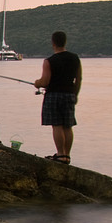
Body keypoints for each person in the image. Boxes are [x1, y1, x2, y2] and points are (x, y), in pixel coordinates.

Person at [34, 31, 82, 164]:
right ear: (65, 42)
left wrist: (36, 83)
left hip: (54, 95)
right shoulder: (75, 58)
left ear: (53, 43)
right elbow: (78, 79)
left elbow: (45, 82)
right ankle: (66, 155)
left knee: (57, 125)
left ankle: (60, 154)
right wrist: (75, 95)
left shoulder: (49, 61)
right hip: (69, 95)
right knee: (68, 125)